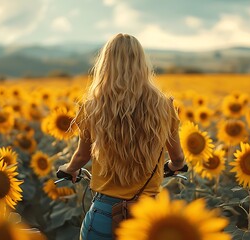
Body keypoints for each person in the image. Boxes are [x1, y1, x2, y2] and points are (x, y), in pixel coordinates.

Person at [57, 33, 186, 240]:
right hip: (148, 218)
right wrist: (172, 167)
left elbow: (82, 156)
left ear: (105, 65)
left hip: (105, 214)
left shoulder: (92, 107)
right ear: (142, 64)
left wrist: (69, 169)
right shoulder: (164, 106)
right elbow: (178, 159)